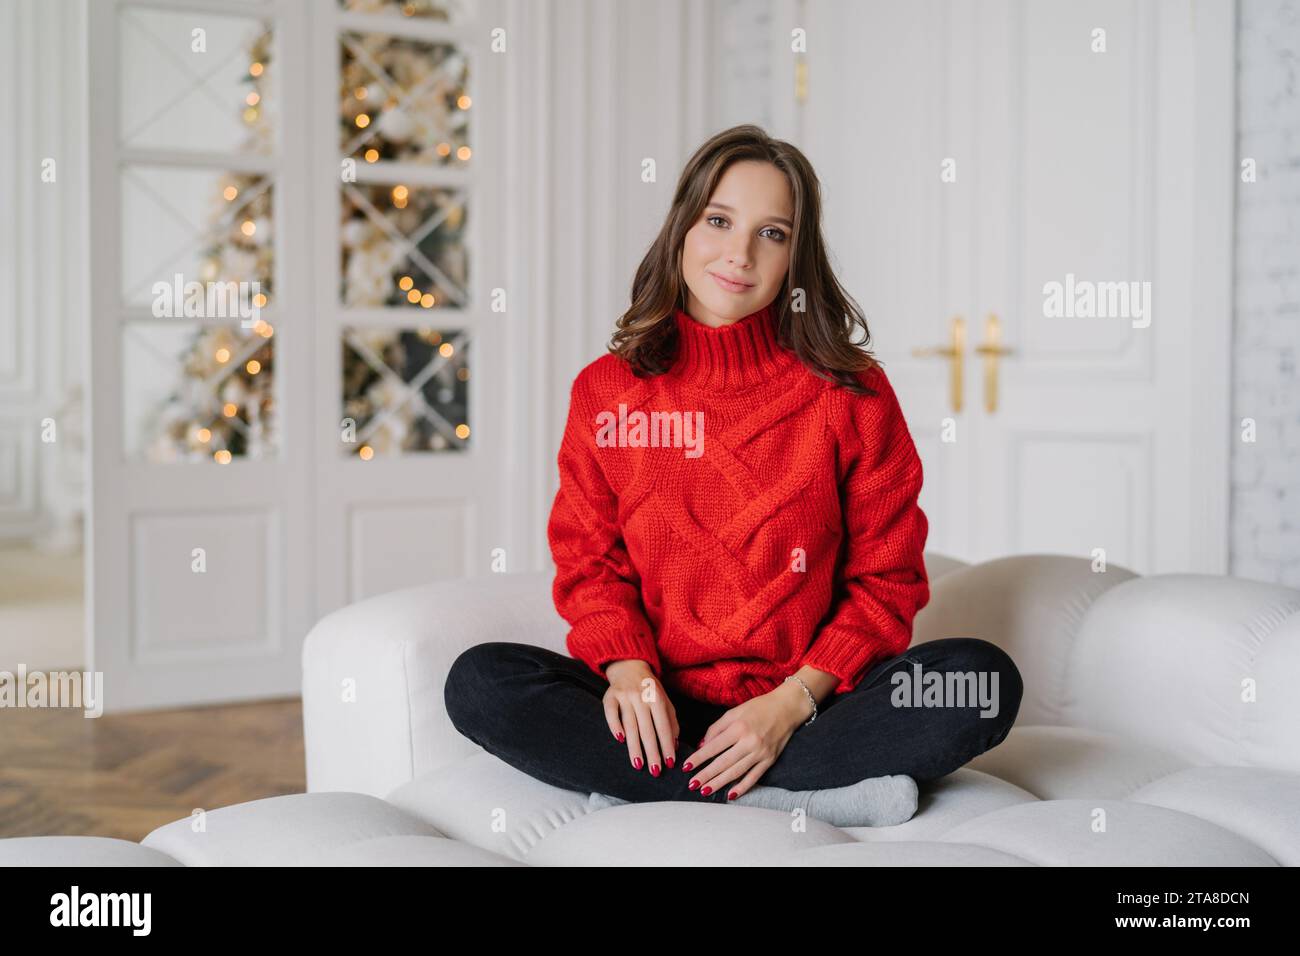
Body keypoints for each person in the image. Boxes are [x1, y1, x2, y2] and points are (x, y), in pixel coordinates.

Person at [444, 124, 1022, 828]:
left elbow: (886, 582)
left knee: (978, 683)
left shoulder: (852, 395)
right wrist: (627, 671)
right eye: (719, 220)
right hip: (663, 708)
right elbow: (589, 562)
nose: (739, 254)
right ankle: (792, 794)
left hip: (809, 707)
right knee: (480, 683)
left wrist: (788, 706)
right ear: (683, 227)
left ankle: (680, 785)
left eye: (772, 234)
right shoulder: (607, 392)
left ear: (795, 258)